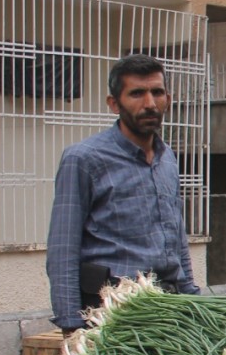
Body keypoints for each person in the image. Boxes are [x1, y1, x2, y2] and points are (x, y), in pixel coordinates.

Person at [46, 54, 200, 333]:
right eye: (137, 94)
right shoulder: (84, 159)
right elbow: (62, 249)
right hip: (113, 310)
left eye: (157, 92)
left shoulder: (167, 159)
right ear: (114, 104)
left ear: (169, 98)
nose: (150, 104)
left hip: (168, 305)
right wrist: (71, 324)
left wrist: (190, 293)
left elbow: (177, 237)